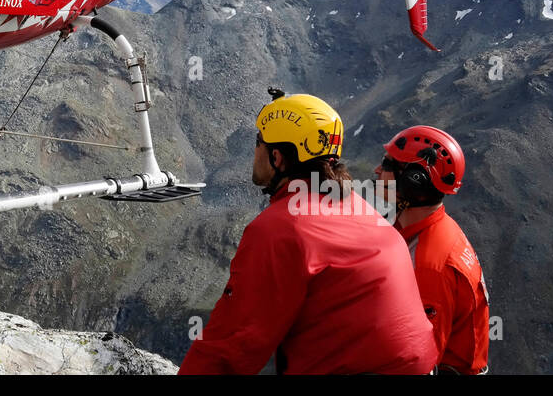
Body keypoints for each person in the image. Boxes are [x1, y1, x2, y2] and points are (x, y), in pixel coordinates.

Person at [179, 91, 436, 375]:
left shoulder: (281, 228)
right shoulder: (360, 208)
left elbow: (232, 343)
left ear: (277, 157)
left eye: (259, 141)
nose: (255, 150)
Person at [376, 125, 490, 374]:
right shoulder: (429, 231)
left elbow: (416, 364)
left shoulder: (429, 266)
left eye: (387, 164)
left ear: (413, 181)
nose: (377, 171)